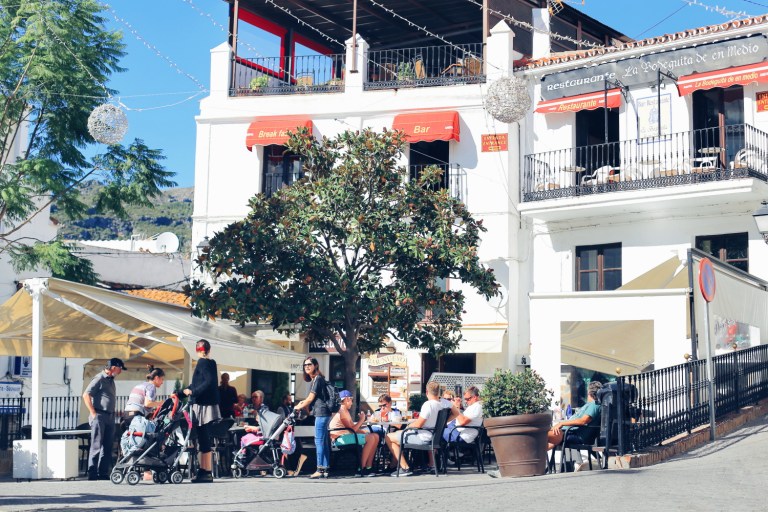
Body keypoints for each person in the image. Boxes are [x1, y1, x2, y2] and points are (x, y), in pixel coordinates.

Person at [386, 380, 443, 477]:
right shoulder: (441, 404)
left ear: (427, 391)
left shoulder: (428, 404)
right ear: (438, 392)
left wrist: (408, 427)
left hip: (423, 438)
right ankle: (394, 465)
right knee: (398, 436)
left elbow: (419, 424)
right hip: (433, 436)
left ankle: (404, 467)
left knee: (388, 437)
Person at [183, 339, 221, 483]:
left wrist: (193, 392)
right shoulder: (212, 363)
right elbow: (199, 383)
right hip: (209, 404)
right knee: (205, 438)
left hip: (202, 406)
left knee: (203, 438)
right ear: (209, 349)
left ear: (197, 350)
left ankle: (206, 471)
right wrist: (183, 392)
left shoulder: (202, 362)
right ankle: (205, 470)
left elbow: (207, 382)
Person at [83, 357, 125, 480]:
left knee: (107, 445)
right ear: (113, 368)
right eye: (120, 369)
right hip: (100, 415)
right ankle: (92, 473)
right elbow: (86, 395)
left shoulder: (111, 380)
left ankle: (103, 473)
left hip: (109, 416)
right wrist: (93, 413)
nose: (120, 371)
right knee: (96, 444)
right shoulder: (99, 378)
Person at [293, 357, 332, 479]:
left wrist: (298, 407)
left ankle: (320, 468)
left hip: (321, 413)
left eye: (309, 364)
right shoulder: (317, 379)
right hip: (323, 413)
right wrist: (303, 405)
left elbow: (310, 398)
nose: (307, 367)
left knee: (319, 441)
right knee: (324, 442)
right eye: (305, 365)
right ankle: (325, 468)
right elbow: (310, 399)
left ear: (315, 365)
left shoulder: (317, 379)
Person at [329, 390, 379, 476]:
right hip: (339, 438)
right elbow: (352, 429)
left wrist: (365, 432)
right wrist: (362, 420)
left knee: (375, 436)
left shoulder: (345, 411)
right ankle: (361, 468)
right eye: (351, 400)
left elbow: (353, 428)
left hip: (346, 435)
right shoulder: (341, 411)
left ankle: (369, 466)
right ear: (347, 399)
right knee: (371, 438)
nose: (352, 403)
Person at [548, 381, 603, 451]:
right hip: (567, 432)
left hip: (574, 434)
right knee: (542, 439)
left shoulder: (595, 405)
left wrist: (561, 423)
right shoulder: (589, 405)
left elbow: (583, 421)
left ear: (589, 392)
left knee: (541, 435)